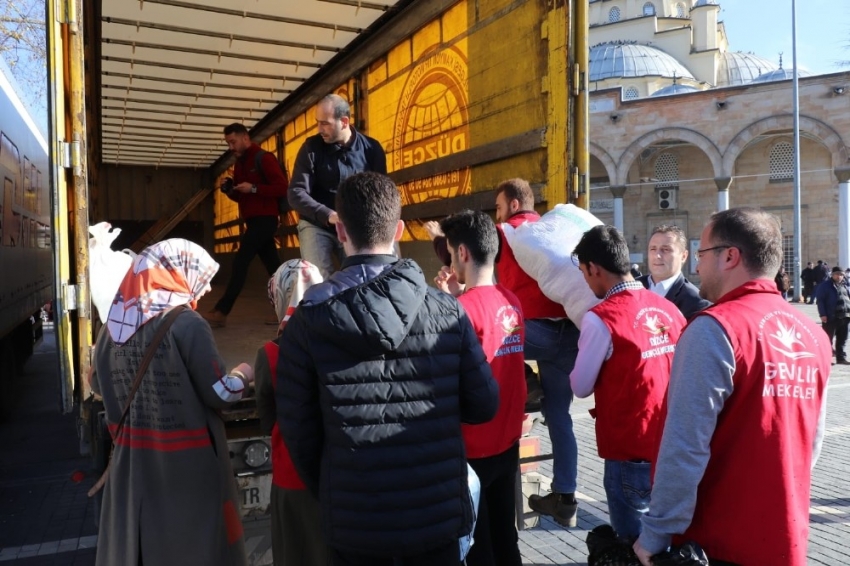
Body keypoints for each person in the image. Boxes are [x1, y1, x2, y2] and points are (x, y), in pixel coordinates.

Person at [276, 172, 499, 566]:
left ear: (340, 231)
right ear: (397, 230)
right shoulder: (448, 311)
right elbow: (483, 405)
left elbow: (299, 435)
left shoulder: (306, 324)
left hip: (356, 526)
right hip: (437, 517)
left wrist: (337, 491)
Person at [633, 208, 831, 566]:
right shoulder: (814, 334)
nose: (696, 266)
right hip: (784, 537)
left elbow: (684, 446)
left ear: (729, 256)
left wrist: (655, 534)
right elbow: (811, 443)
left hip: (717, 541)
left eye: (702, 253)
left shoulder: (714, 329)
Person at [426, 179, 581, 527]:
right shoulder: (545, 235)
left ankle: (529, 382)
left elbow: (472, 249)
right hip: (567, 334)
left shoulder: (508, 233)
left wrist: (439, 237)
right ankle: (565, 493)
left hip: (479, 443)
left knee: (494, 335)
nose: (496, 214)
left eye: (497, 207)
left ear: (511, 205)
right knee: (560, 416)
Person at [90, 239, 254, 566]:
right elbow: (220, 393)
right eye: (201, 280)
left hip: (131, 468)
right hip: (184, 475)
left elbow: (98, 384)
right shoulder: (186, 324)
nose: (205, 290)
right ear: (175, 275)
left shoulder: (110, 329)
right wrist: (243, 375)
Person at [571, 225, 685, 542]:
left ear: (594, 268)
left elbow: (580, 386)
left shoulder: (600, 318)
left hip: (630, 451)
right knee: (666, 546)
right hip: (671, 448)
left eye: (583, 272)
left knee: (633, 547)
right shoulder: (670, 309)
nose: (584, 279)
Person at [433, 209, 526, 566]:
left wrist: (450, 301)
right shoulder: (512, 302)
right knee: (506, 537)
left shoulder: (457, 312)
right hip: (507, 442)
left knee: (479, 548)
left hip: (472, 449)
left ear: (463, 254)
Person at [254, 259, 329, 565]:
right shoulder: (338, 344)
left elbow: (267, 419)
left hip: (291, 478)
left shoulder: (269, 354)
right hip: (335, 474)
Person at [288, 94, 387, 279]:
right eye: (318, 122)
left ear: (344, 121)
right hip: (315, 223)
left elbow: (381, 196)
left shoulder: (372, 149)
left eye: (325, 123)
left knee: (359, 276)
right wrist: (329, 215)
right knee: (318, 275)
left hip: (353, 226)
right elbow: (295, 193)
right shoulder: (310, 148)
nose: (319, 129)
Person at [204, 123, 288, 328]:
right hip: (253, 220)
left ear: (245, 138)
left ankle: (222, 311)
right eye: (228, 143)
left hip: (266, 219)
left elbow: (282, 187)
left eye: (233, 142)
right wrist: (230, 191)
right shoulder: (239, 164)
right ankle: (289, 311)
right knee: (275, 269)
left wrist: (254, 188)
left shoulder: (264, 158)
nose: (231, 147)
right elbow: (243, 197)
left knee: (241, 262)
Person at [637, 224, 711, 319]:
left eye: (666, 249)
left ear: (684, 256)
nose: (657, 256)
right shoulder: (631, 288)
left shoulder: (695, 302)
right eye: (653, 249)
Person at [814, 265, 850, 365]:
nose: (839, 276)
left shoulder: (845, 285)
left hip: (845, 316)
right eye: (837, 274)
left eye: (841, 275)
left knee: (843, 338)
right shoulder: (825, 286)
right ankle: (826, 359)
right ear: (832, 275)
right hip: (831, 317)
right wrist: (823, 314)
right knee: (827, 339)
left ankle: (841, 358)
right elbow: (820, 301)